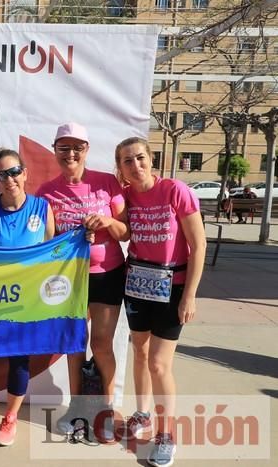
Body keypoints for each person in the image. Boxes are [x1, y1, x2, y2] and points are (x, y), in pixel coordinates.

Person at [35, 123, 129, 441]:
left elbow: (125, 230)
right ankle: (76, 407)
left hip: (107, 274)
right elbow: (45, 240)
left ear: (87, 150)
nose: (71, 154)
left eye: (77, 147)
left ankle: (105, 408)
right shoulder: (46, 192)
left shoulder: (106, 183)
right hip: (68, 278)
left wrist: (107, 222)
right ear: (55, 150)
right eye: (64, 148)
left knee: (101, 343)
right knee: (75, 345)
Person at [115, 137, 206, 467]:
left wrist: (190, 295)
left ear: (151, 159)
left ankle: (166, 434)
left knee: (158, 363)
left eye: (140, 158)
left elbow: (198, 246)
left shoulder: (175, 191)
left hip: (173, 286)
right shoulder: (126, 196)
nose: (135, 165)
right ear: (121, 168)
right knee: (138, 351)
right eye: (127, 161)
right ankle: (143, 414)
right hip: (137, 283)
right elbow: (120, 229)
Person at [0, 149, 54, 446]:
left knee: (20, 360)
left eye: (14, 171)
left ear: (26, 172)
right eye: (1, 175)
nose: (10, 179)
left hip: (26, 301)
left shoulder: (42, 208)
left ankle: (11, 417)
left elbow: (51, 255)